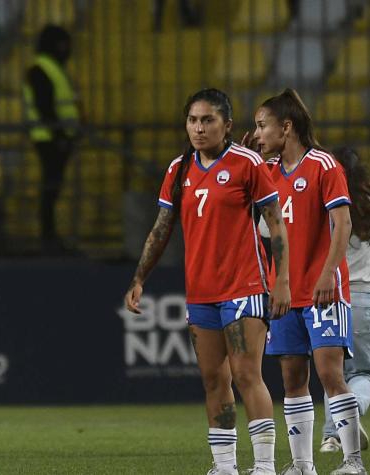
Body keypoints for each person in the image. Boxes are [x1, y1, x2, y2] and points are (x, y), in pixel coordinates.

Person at [125, 88, 290, 475]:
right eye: (193, 120)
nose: (198, 128)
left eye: (208, 120)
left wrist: (281, 280)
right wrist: (139, 278)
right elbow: (162, 228)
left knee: (248, 374)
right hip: (201, 293)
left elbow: (276, 223)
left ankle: (264, 466)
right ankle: (225, 467)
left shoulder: (248, 163)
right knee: (214, 380)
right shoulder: (178, 169)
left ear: (227, 125)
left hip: (244, 286)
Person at [250, 89, 366, 475]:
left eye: (262, 125)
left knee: (330, 373)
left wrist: (328, 273)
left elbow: (343, 223)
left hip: (323, 289)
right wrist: (247, 151)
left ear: (287, 126)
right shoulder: (266, 172)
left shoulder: (323, 166)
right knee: (291, 377)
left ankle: (353, 462)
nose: (259, 133)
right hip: (284, 292)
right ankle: (303, 465)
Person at [319, 147, 370, 456]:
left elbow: (267, 228)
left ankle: (331, 437)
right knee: (362, 374)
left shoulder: (320, 204)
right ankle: (351, 414)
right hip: (358, 296)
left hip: (326, 295)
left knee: (331, 373)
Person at [23, 24, 79, 252]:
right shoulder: (41, 69)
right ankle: (48, 237)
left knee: (53, 187)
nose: (67, 49)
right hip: (49, 138)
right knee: (51, 187)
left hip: (56, 137)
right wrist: (60, 135)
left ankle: (50, 236)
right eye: (63, 44)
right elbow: (44, 106)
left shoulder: (52, 68)